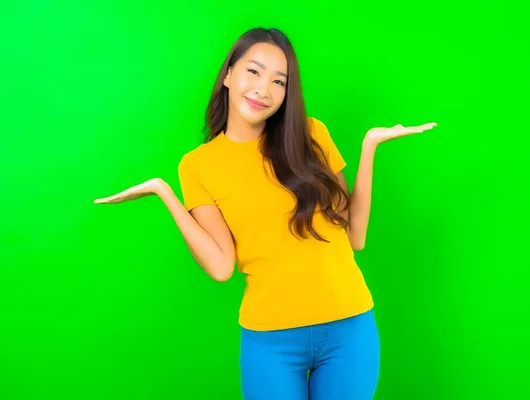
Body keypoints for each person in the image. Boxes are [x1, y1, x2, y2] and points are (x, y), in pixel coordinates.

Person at [94, 27, 436, 400]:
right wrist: (165, 194)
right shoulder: (198, 165)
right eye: (253, 72)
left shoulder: (311, 134)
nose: (264, 89)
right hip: (271, 341)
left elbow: (355, 236)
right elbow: (222, 268)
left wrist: (369, 147)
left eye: (279, 80)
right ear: (228, 75)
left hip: (349, 329)